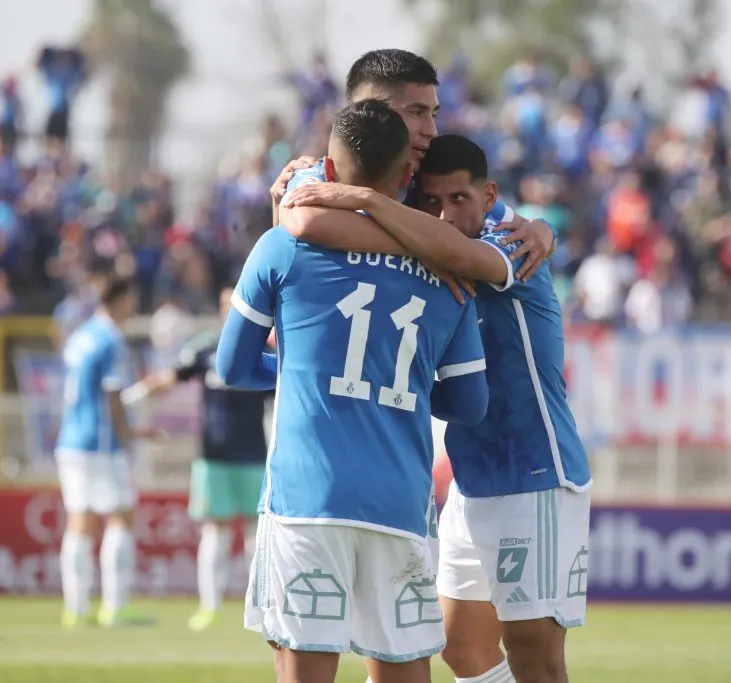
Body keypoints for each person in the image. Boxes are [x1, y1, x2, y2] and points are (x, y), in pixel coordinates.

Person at [283, 134, 592, 683]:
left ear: (489, 194)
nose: (445, 216)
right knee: (461, 650)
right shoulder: (424, 242)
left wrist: (368, 201)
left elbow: (455, 253)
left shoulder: (511, 242)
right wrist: (306, 177)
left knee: (534, 657)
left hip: (536, 474)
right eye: (431, 201)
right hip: (472, 481)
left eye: (458, 200)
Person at [216, 101, 489, 683]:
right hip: (400, 503)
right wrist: (407, 390)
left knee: (306, 669)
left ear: (330, 176)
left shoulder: (284, 246)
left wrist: (300, 374)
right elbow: (470, 404)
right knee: (404, 670)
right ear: (405, 179)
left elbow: (233, 366)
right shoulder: (448, 273)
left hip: (307, 500)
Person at [270, 49, 557, 283]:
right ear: (370, 114)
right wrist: (432, 250)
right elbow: (305, 221)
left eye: (433, 113)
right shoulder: (315, 173)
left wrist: (544, 231)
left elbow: (523, 228)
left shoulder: (431, 181)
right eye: (416, 113)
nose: (432, 130)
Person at [124, 286, 271, 633]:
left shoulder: (266, 353)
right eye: (228, 304)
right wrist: (130, 397)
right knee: (215, 534)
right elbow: (171, 378)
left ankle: (260, 609)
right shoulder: (207, 349)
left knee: (256, 538)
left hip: (254, 455)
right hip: (214, 457)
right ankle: (210, 606)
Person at [54, 278, 161, 629]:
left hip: (70, 440)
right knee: (121, 517)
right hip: (100, 442)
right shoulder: (111, 339)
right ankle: (115, 607)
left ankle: (77, 608)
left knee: (80, 522)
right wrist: (129, 433)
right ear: (119, 299)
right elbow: (113, 394)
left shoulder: (80, 336)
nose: (133, 307)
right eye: (131, 299)